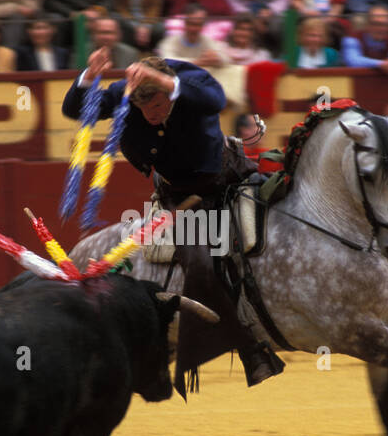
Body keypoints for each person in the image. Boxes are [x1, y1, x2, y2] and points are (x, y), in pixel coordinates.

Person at [61, 49, 283, 386]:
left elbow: (215, 98)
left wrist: (165, 81)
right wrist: (89, 77)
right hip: (182, 198)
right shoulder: (127, 90)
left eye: (159, 105)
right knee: (202, 266)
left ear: (169, 92)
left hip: (228, 175)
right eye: (144, 107)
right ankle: (249, 347)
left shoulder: (189, 80)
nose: (152, 113)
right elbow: (75, 110)